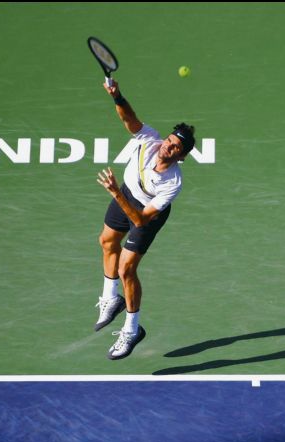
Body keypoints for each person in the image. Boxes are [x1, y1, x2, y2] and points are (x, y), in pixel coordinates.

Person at [94, 78, 195, 360]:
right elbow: (129, 118)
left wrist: (115, 192)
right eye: (170, 141)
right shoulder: (150, 138)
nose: (168, 147)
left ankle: (132, 329)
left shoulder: (172, 184)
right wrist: (117, 96)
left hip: (145, 211)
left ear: (182, 157)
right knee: (106, 241)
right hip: (127, 193)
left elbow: (139, 221)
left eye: (175, 148)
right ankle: (110, 298)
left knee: (127, 268)